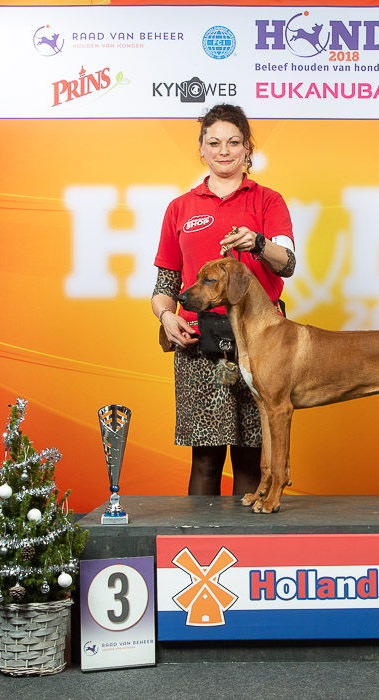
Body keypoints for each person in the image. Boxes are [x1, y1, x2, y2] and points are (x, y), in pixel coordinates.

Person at [151, 104, 295, 496]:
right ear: (202, 150)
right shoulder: (180, 207)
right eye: (214, 143)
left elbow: (287, 264)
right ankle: (200, 536)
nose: (224, 151)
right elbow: (165, 284)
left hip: (259, 343)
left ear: (247, 148)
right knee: (205, 459)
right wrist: (166, 317)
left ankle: (249, 534)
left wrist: (258, 242)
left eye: (233, 142)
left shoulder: (268, 201)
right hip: (198, 343)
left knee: (251, 457)